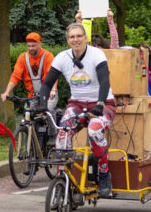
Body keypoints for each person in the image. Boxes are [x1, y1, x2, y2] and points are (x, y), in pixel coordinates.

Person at [37, 23, 116, 197]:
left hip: (102, 103)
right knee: (62, 136)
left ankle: (104, 174)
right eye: (72, 37)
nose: (76, 40)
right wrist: (42, 103)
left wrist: (100, 104)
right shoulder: (62, 57)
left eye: (79, 36)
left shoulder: (97, 54)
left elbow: (105, 81)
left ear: (85, 38)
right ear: (68, 40)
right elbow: (47, 83)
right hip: (77, 105)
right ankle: (65, 178)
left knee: (94, 131)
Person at [1, 32, 57, 110]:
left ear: (39, 44)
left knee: (45, 111)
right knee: (28, 113)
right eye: (28, 46)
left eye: (33, 46)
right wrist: (7, 92)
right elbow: (15, 76)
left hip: (48, 93)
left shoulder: (48, 56)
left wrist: (53, 90)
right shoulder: (23, 57)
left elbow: (52, 75)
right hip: (32, 96)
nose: (30, 48)